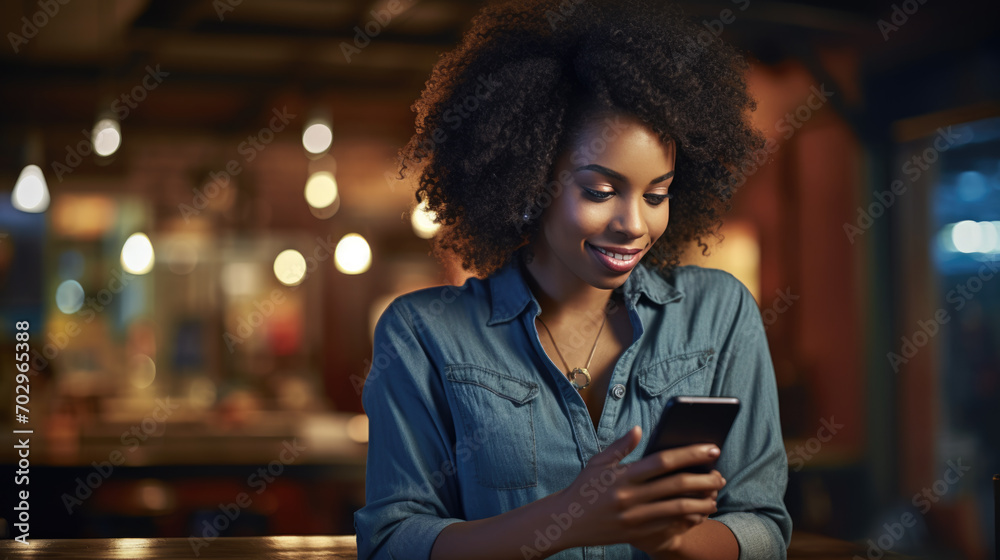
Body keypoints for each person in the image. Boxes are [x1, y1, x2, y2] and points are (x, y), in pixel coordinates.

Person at [354, 0, 791, 558]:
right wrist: (566, 519)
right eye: (599, 191)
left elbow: (764, 527)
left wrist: (675, 540)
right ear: (529, 180)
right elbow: (392, 544)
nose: (635, 225)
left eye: (657, 195)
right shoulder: (423, 335)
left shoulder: (720, 314)